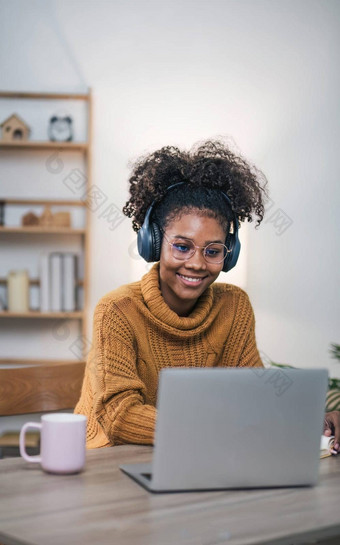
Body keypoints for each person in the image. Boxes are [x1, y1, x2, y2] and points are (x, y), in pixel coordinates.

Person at [75, 139, 340, 452]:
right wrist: (219, 426)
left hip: (199, 455)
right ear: (153, 242)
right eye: (182, 246)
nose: (198, 263)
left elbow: (254, 397)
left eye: (213, 251)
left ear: (229, 255)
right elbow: (120, 417)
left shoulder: (234, 307)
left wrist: (314, 421)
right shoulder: (117, 310)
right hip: (110, 461)